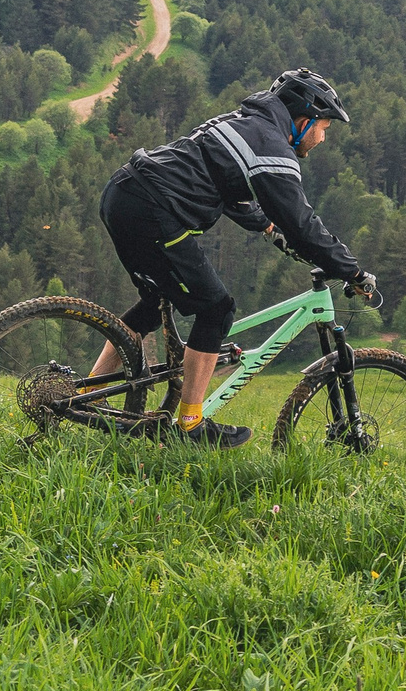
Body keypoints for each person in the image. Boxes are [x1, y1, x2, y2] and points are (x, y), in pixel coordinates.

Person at [88, 67, 376, 446]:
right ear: (304, 120)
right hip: (153, 209)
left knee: (155, 301)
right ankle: (190, 423)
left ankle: (83, 396)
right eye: (324, 127)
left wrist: (268, 229)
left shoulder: (244, 123)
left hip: (124, 194)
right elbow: (302, 223)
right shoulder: (271, 146)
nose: (322, 138)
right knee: (216, 308)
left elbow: (227, 187)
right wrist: (352, 271)